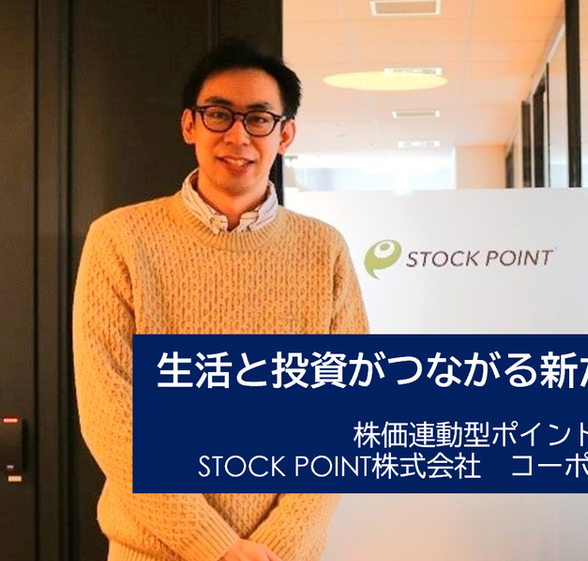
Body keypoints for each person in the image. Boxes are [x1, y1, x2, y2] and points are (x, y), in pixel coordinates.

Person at [72, 38, 369, 561]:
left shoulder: (324, 249)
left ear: (285, 134)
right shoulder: (120, 238)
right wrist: (216, 546)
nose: (238, 135)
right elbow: (109, 411)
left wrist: (275, 544)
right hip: (153, 552)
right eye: (218, 114)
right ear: (190, 125)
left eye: (259, 118)